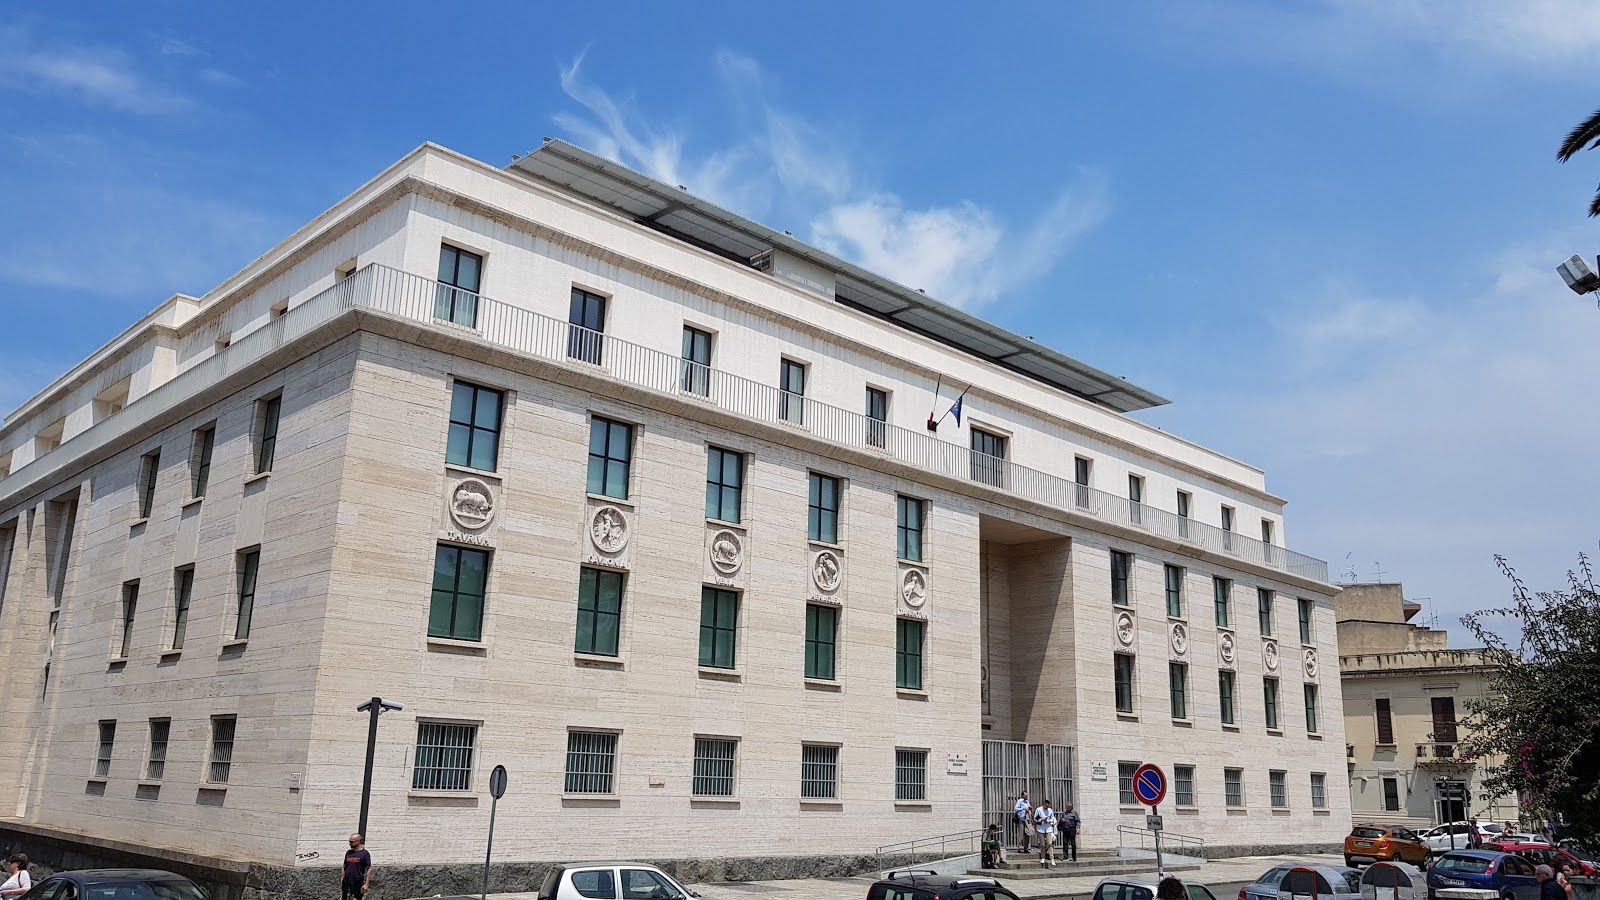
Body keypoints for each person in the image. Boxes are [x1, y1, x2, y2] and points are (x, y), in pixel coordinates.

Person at [342, 834, 372, 900]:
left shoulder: (364, 853)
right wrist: (342, 880)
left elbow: (369, 868)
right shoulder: (348, 852)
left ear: (358, 842)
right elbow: (344, 866)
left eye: (351, 842)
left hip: (358, 881)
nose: (349, 843)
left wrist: (366, 884)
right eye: (349, 841)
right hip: (347, 881)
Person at [1034, 799, 1058, 868]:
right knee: (1042, 844)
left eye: (1048, 806)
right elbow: (1035, 819)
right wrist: (1042, 820)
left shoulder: (1050, 810)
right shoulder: (1038, 809)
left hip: (1048, 829)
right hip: (1040, 829)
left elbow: (1053, 818)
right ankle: (1043, 857)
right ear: (1044, 804)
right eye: (1046, 805)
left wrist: (1050, 821)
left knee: (1049, 844)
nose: (1047, 807)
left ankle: (1052, 858)